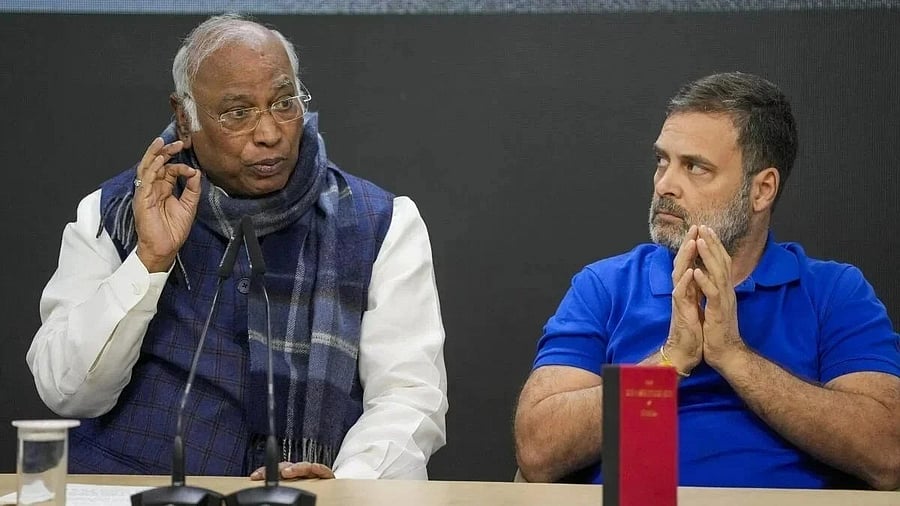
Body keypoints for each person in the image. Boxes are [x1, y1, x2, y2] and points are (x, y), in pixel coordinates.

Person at [27, 13, 447, 481]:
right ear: (185, 119)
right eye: (237, 112)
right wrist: (148, 261)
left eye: (284, 103)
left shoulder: (381, 223)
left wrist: (347, 487)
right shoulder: (115, 211)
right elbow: (67, 391)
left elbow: (409, 395)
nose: (269, 133)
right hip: (137, 490)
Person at [513, 72, 900, 490]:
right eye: (663, 161)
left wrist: (733, 356)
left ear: (762, 190)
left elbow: (888, 454)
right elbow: (537, 452)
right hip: (642, 501)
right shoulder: (605, 286)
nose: (665, 184)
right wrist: (668, 362)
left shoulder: (834, 292)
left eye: (694, 167)